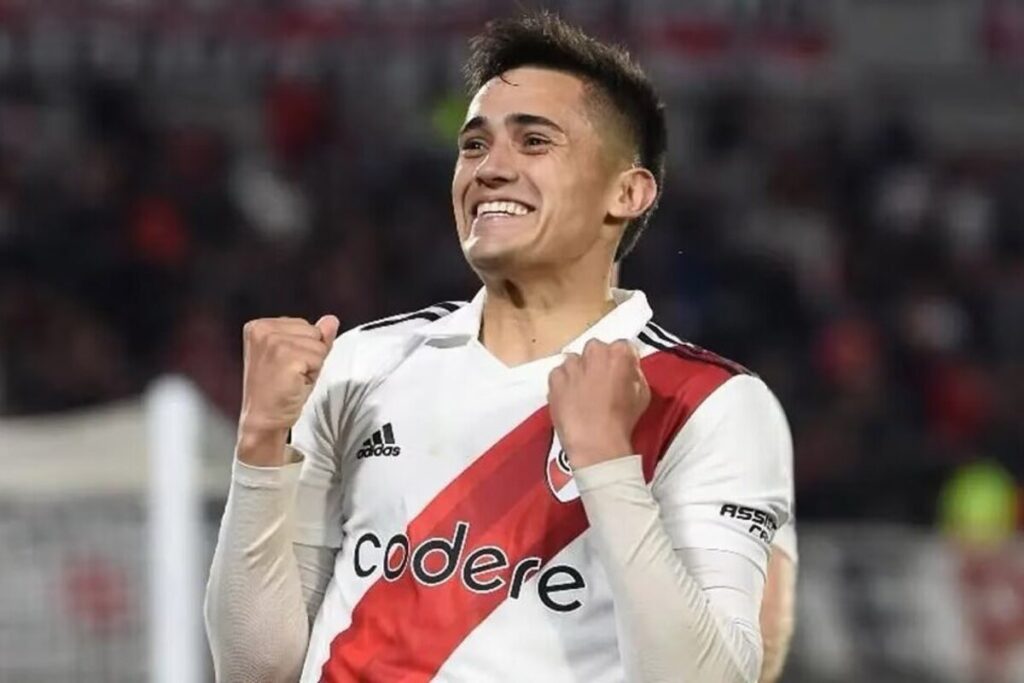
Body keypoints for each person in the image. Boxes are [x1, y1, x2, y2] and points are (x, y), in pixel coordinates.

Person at [206, 12, 795, 683]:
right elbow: (255, 669)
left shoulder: (707, 403)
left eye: (534, 141)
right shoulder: (360, 364)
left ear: (627, 192)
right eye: (474, 145)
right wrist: (258, 445)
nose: (490, 168)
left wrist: (606, 462)